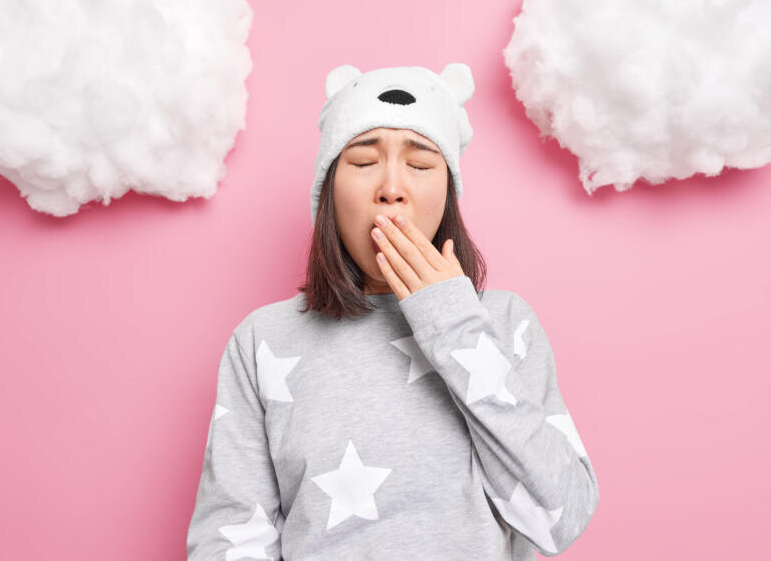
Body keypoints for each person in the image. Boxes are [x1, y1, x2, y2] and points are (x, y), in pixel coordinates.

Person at [186, 63, 599, 559]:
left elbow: (560, 518)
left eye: (421, 165)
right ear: (328, 195)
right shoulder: (262, 341)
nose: (391, 188)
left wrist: (451, 321)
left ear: (447, 193)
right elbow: (232, 540)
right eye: (362, 163)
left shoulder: (507, 325)